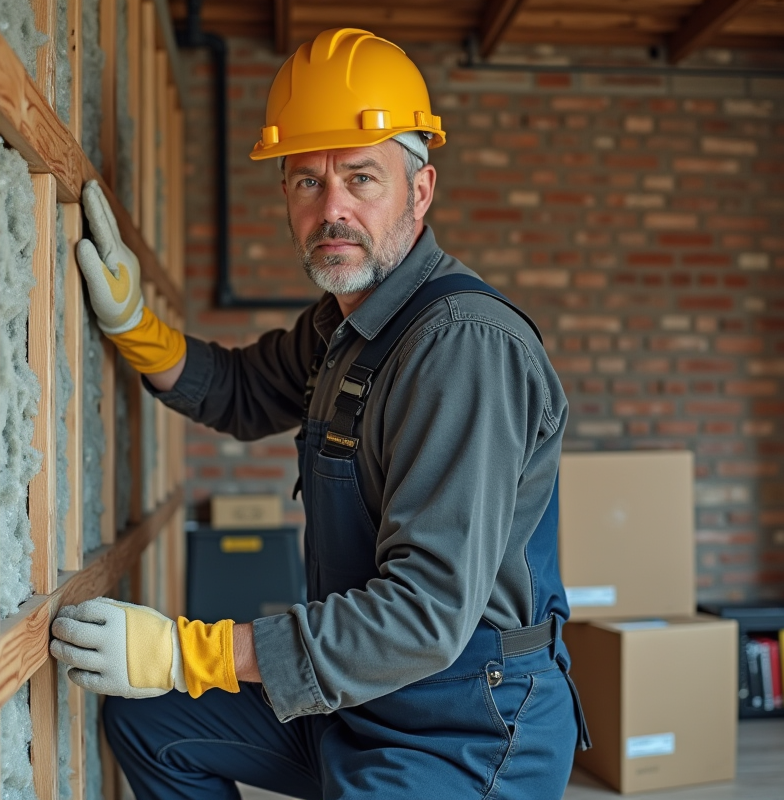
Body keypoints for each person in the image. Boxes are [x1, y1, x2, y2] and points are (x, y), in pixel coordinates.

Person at [50, 27, 589, 800]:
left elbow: (423, 615)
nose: (331, 209)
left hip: (465, 725)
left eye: (361, 178)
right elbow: (242, 389)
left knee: (173, 684)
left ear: (421, 189)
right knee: (152, 720)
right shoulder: (346, 326)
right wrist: (138, 326)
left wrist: (186, 651)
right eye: (307, 182)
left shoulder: (463, 348)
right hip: (361, 696)